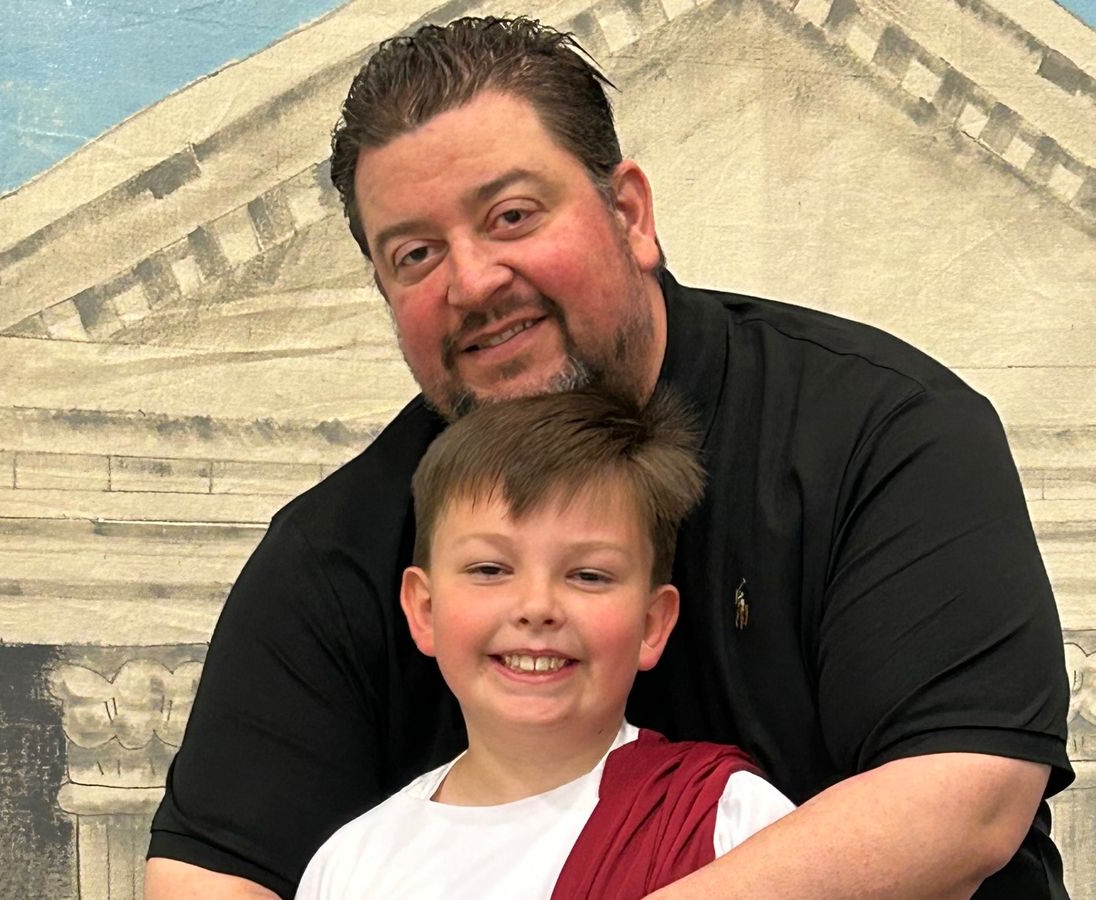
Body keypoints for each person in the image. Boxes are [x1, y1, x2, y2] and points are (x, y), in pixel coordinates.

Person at [145, 16, 1073, 900]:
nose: (472, 281)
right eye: (416, 254)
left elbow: (966, 801)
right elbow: (206, 878)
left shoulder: (880, 431)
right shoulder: (333, 556)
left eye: (511, 216)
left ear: (628, 213)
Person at [295, 389, 795, 899]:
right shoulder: (350, 866)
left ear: (652, 624)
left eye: (589, 575)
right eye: (490, 569)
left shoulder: (731, 823)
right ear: (425, 610)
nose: (537, 606)